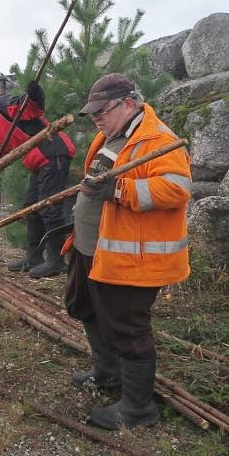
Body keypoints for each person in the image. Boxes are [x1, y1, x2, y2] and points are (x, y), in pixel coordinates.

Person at [62, 73, 191, 431]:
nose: (96, 119)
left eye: (101, 111)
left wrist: (119, 190)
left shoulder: (158, 139)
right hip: (92, 247)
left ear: (129, 104)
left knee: (128, 326)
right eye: (92, 113)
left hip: (129, 257)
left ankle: (138, 409)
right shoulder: (112, 136)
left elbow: (177, 189)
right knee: (83, 306)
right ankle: (107, 373)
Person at [0, 80, 75, 277]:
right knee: (31, 207)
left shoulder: (1, 105)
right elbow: (2, 151)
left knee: (50, 207)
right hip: (39, 161)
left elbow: (33, 107)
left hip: (53, 152)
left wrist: (35, 93)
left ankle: (56, 261)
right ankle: (34, 258)